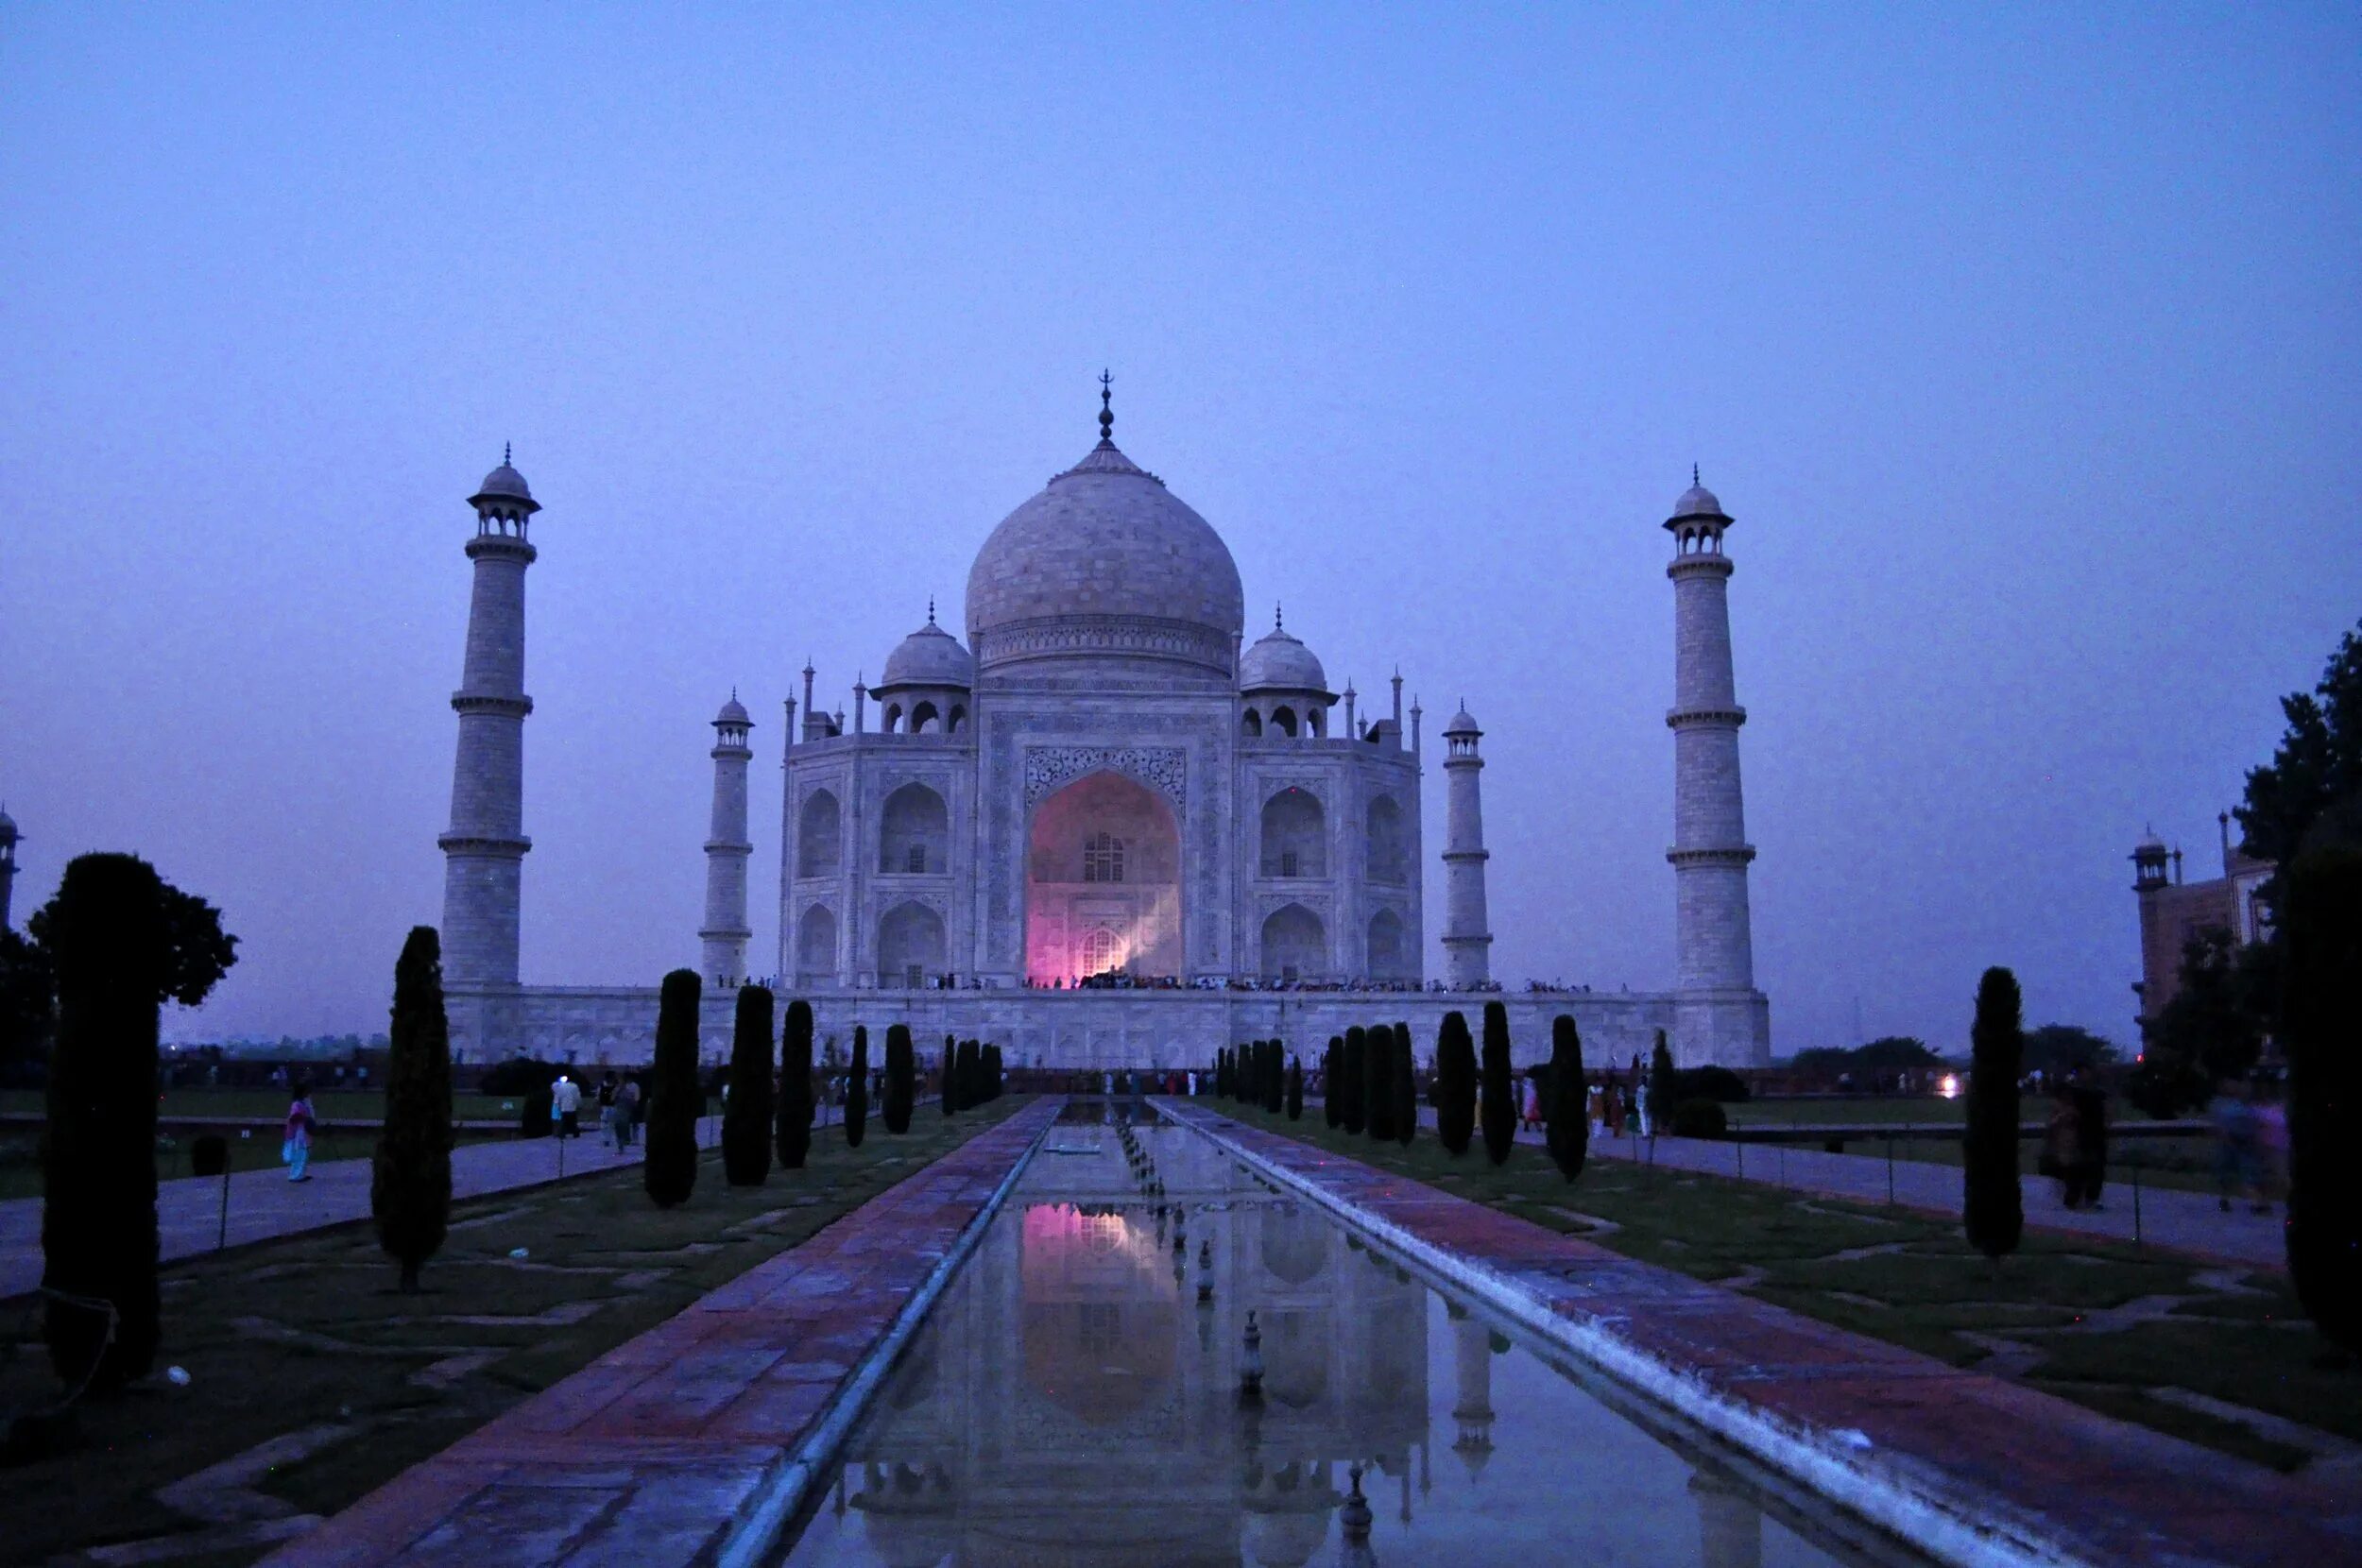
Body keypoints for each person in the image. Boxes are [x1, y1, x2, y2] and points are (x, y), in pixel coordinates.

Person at [2209, 1078, 2259, 1213]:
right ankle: (2224, 1200)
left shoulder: (2246, 1104)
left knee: (2249, 1172)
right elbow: (2216, 1124)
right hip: (2227, 1143)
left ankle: (2254, 1204)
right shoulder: (2219, 1103)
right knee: (2226, 1174)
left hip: (2245, 1143)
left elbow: (2253, 1122)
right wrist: (2224, 1137)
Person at [2068, 1067, 2109, 1209]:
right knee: (2083, 1166)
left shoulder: (2093, 1094)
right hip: (2086, 1134)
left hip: (2093, 1134)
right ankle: (2078, 1198)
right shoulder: (2080, 1094)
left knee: (2092, 1167)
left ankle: (2086, 1198)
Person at [2043, 1080, 2084, 1209]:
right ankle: (2071, 1198)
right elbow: (2051, 1125)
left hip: (2070, 1143)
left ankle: (2072, 1197)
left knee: (2072, 1171)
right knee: (2069, 1171)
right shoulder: (2059, 1109)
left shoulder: (2071, 1109)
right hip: (2063, 1143)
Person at [282, 1081, 316, 1183]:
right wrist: (304, 1118)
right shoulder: (297, 1104)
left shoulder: (302, 1103)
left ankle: (299, 1174)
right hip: (299, 1133)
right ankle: (295, 1176)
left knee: (303, 1153)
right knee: (300, 1153)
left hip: (302, 1131)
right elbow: (294, 1117)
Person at [552, 1073, 582, 1139]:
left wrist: (559, 1104)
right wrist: (579, 1104)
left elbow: (559, 1096)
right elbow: (577, 1097)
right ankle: (575, 1133)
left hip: (563, 1107)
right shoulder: (575, 1086)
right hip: (572, 1107)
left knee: (563, 1121)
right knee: (573, 1121)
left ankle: (562, 1134)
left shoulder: (561, 1086)